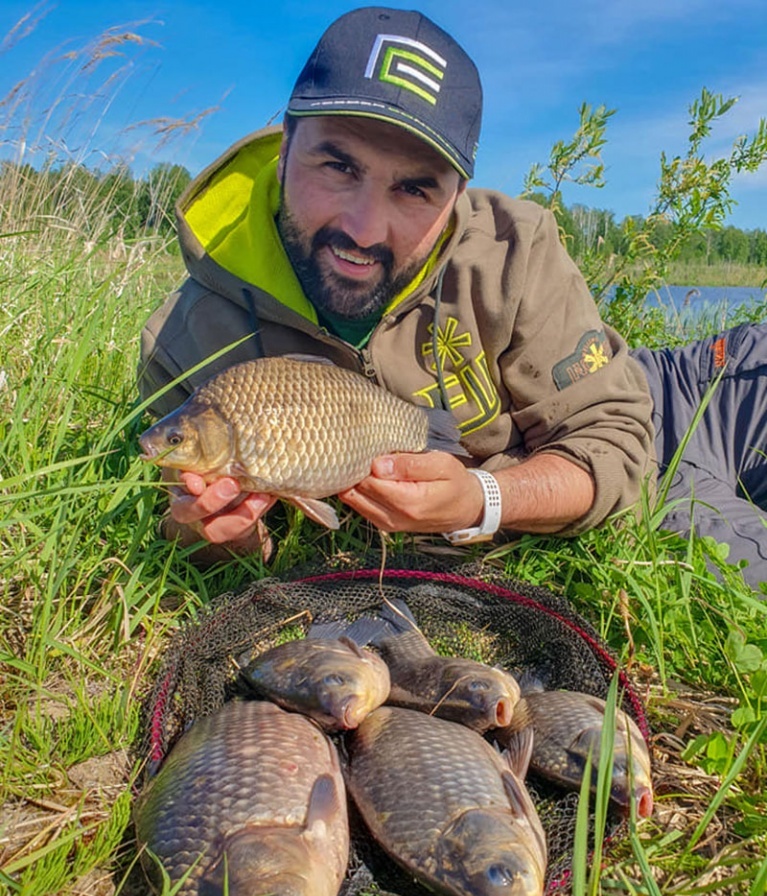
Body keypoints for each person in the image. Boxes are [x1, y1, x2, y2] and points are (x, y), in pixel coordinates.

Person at [138, 6, 767, 589]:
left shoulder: (515, 248)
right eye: (338, 167)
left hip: (682, 396)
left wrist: (483, 500)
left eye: (414, 190)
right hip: (646, 447)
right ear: (284, 147)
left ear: (458, 192)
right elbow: (195, 544)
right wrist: (211, 534)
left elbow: (617, 435)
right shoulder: (186, 341)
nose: (363, 229)